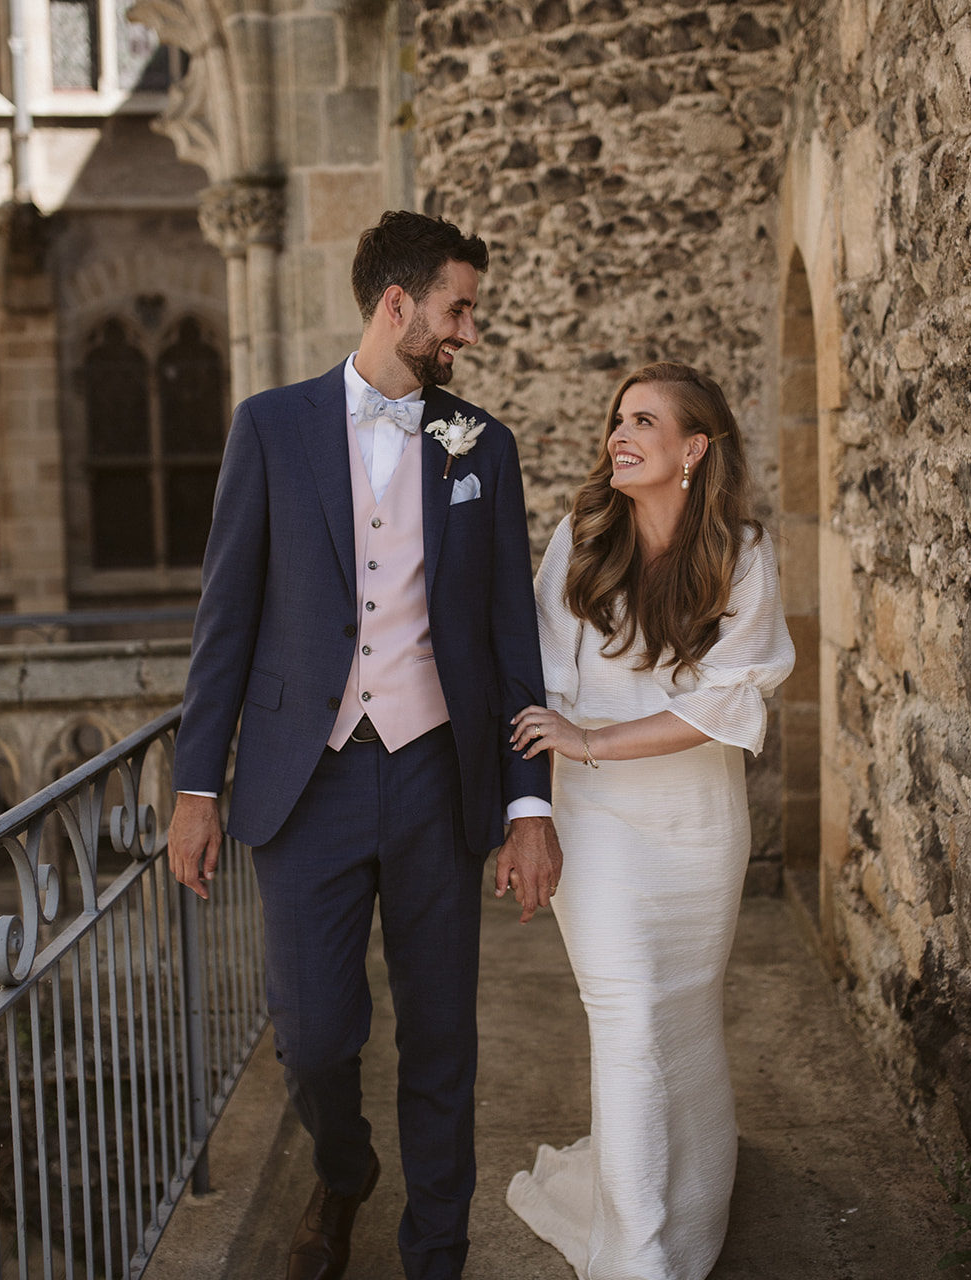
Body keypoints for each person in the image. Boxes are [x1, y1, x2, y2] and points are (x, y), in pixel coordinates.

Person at [167, 209, 562, 1280]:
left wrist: (531, 805)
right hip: (310, 779)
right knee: (312, 1037)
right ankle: (344, 1170)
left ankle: (435, 1252)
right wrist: (196, 783)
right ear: (399, 306)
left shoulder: (484, 443)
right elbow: (226, 620)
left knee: (441, 1042)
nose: (468, 332)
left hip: (439, 776)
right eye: (458, 309)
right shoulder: (270, 427)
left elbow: (510, 642)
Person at [505, 361, 794, 1280]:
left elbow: (725, 704)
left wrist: (590, 737)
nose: (618, 435)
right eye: (616, 419)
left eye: (642, 421)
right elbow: (541, 683)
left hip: (699, 827)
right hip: (598, 830)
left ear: (693, 448)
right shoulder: (581, 541)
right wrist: (544, 793)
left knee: (681, 1016)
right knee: (627, 1018)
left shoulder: (741, 553)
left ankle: (693, 1202)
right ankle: (638, 1258)